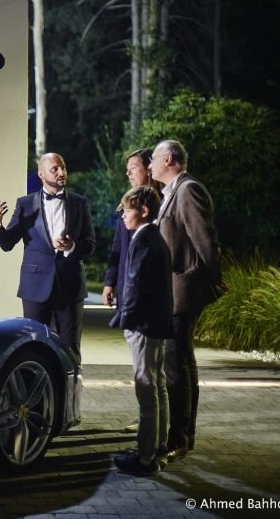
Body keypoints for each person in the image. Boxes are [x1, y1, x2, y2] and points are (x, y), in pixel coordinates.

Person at [150, 139, 223, 463]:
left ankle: (179, 438)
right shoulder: (171, 192)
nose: (150, 165)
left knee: (176, 367)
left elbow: (205, 240)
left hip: (182, 291)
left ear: (169, 159)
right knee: (182, 363)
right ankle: (183, 435)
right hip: (173, 290)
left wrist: (213, 279)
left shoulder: (188, 190)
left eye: (154, 158)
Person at [0, 152, 96, 360]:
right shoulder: (25, 204)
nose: (61, 172)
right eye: (55, 169)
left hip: (71, 286)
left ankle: (70, 382)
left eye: (63, 167)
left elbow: (90, 245)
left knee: (70, 347)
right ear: (41, 174)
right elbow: (7, 243)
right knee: (33, 345)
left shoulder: (80, 203)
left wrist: (72, 246)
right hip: (35, 287)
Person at [110, 185, 173, 476]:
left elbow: (134, 285)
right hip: (157, 324)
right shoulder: (157, 239)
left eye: (127, 209)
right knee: (158, 386)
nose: (123, 215)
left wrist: (125, 320)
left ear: (144, 211)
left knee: (146, 389)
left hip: (143, 327)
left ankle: (145, 458)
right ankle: (158, 447)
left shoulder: (143, 240)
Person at [101, 148, 161, 434]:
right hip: (129, 295)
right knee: (145, 370)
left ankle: (153, 431)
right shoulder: (127, 207)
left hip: (148, 305)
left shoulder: (157, 207)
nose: (128, 173)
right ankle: (151, 424)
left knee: (149, 372)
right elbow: (118, 250)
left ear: (148, 169)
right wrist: (110, 281)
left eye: (133, 167)